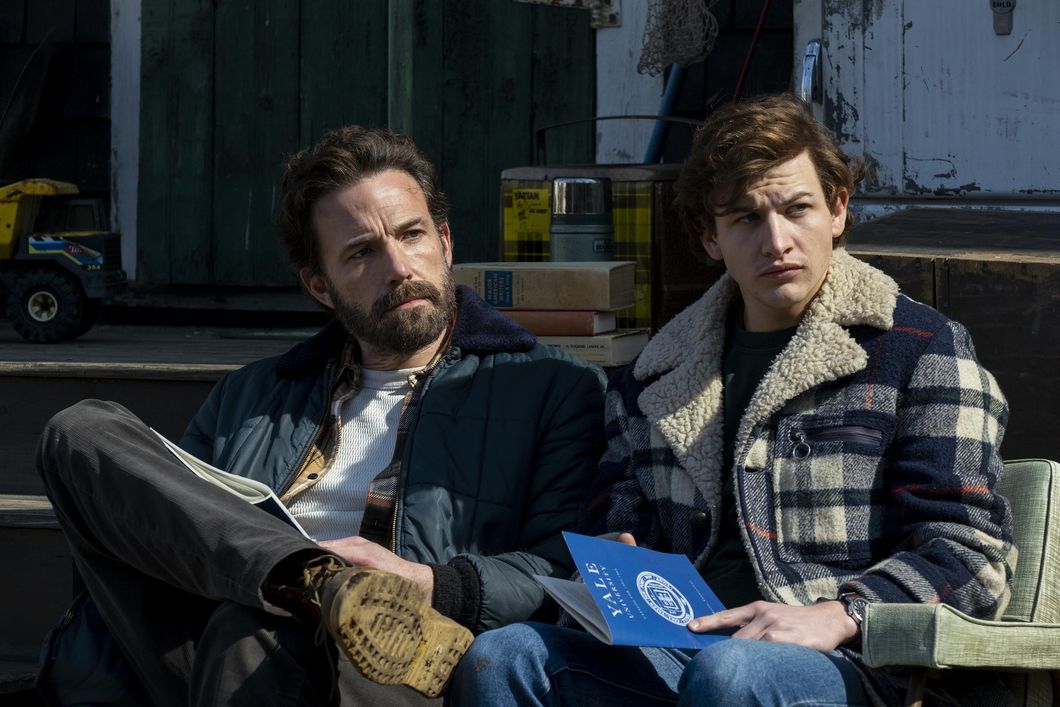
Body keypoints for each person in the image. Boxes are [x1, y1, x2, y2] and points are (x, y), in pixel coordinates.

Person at [449, 93, 1017, 706]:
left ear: (838, 210)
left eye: (797, 209)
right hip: (676, 650)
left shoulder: (922, 349)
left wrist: (844, 612)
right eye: (746, 218)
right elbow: (614, 524)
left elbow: (970, 553)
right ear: (709, 236)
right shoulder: (651, 377)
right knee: (504, 656)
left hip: (850, 665)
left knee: (731, 674)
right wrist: (612, 558)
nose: (776, 240)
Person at [34, 126, 606, 706]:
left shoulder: (550, 388)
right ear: (319, 285)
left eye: (412, 235)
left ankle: (304, 590)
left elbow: (565, 573)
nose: (400, 267)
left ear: (447, 243)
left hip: (400, 666)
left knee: (250, 633)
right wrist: (300, 580)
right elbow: (174, 534)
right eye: (361, 253)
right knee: (79, 432)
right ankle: (305, 578)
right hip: (204, 642)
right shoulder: (248, 396)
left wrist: (427, 583)